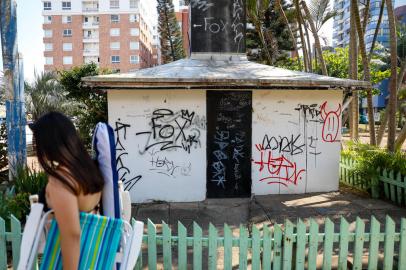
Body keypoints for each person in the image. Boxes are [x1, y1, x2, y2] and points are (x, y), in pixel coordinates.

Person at [30, 111, 104, 270]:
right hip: (93, 256)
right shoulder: (89, 170)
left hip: (66, 260)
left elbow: (72, 235)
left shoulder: (61, 181)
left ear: (48, 142)